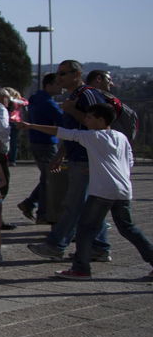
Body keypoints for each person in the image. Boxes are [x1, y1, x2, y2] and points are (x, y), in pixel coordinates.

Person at [24, 104, 153, 280]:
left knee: (85, 229)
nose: (85, 120)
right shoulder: (121, 137)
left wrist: (31, 126)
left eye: (90, 117)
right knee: (128, 228)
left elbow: (62, 132)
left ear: (101, 120)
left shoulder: (94, 136)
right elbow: (128, 162)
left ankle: (81, 268)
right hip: (123, 189)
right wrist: (98, 169)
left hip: (102, 191)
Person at [30, 61, 113, 262]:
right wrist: (61, 155)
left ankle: (56, 245)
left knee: (73, 204)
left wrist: (72, 110)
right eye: (58, 74)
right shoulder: (74, 96)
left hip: (86, 158)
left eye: (63, 74)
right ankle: (100, 247)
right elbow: (75, 132)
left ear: (77, 74)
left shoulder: (86, 95)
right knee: (86, 205)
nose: (59, 79)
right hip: (78, 156)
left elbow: (98, 127)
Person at [18, 73, 62, 223]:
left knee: (47, 178)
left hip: (36, 141)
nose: (60, 86)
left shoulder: (35, 98)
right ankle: (42, 213)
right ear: (48, 85)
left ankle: (30, 203)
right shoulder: (48, 103)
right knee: (51, 179)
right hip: (47, 143)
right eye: (57, 83)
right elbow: (62, 120)